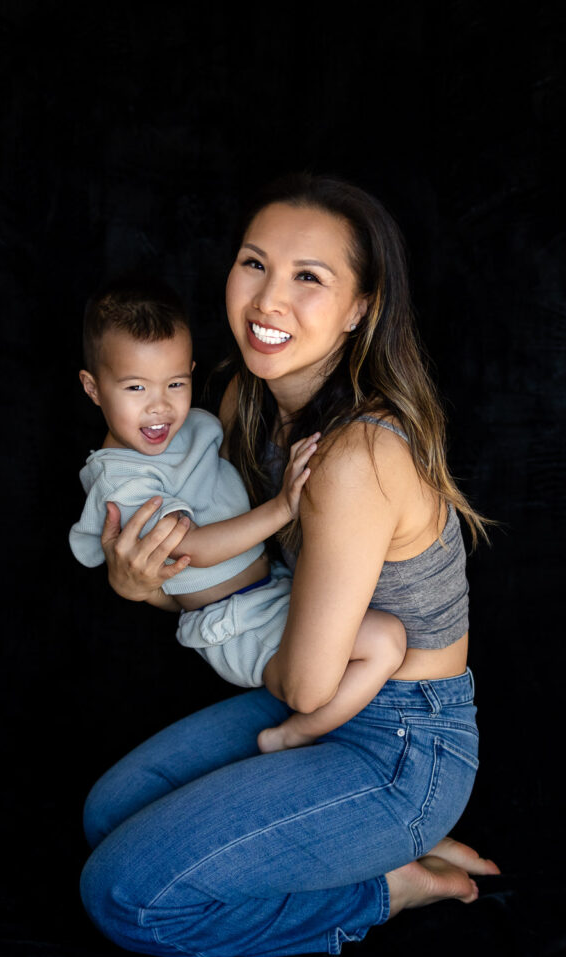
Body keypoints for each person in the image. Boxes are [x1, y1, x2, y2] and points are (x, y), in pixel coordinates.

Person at [79, 174, 500, 957]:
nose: (268, 300)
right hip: (323, 684)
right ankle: (344, 844)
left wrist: (205, 608)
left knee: (123, 899)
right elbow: (235, 581)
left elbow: (303, 687)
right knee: (108, 817)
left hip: (402, 742)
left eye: (309, 277)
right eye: (254, 263)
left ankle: (383, 883)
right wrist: (138, 586)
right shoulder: (248, 401)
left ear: (358, 309)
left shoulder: (354, 456)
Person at [69, 278, 408, 752]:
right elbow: (189, 548)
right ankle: (296, 733)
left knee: (383, 639)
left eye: (175, 383)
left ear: (190, 372)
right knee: (386, 641)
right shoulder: (123, 481)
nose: (159, 406)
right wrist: (283, 507)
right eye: (134, 387)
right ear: (93, 388)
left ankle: (328, 729)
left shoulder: (191, 431)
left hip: (268, 595)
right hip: (235, 623)